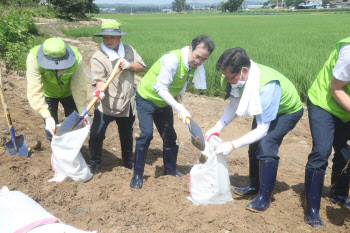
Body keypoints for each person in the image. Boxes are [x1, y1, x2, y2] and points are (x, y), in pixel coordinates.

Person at [205, 47, 303, 212]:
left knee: (266, 145)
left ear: (244, 70)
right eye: (226, 77)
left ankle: (265, 197)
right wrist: (217, 127)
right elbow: (234, 104)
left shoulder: (266, 86)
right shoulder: (238, 78)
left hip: (287, 111)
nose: (228, 81)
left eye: (230, 78)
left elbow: (262, 130)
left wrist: (233, 145)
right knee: (253, 147)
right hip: (267, 109)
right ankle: (255, 186)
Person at [130, 35, 215, 189]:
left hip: (164, 103)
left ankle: (170, 170)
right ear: (190, 47)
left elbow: (180, 85)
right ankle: (137, 175)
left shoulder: (193, 66)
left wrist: (180, 102)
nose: (199, 62)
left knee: (170, 136)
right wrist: (178, 107)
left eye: (204, 59)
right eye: (197, 57)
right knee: (146, 134)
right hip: (147, 99)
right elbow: (160, 87)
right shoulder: (173, 60)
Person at [89, 21, 146, 174]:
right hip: (105, 103)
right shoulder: (98, 56)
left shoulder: (129, 50)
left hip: (126, 102)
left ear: (119, 37)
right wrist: (99, 90)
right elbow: (99, 80)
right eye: (106, 37)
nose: (109, 41)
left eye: (113, 37)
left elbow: (142, 67)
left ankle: (127, 160)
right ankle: (95, 161)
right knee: (97, 134)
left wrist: (129, 65)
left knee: (126, 134)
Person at [304, 37, 350, 228]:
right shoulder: (349, 53)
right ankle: (312, 210)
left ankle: (338, 195)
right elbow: (335, 88)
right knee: (322, 151)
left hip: (346, 107)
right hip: (325, 102)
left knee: (345, 152)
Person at [26, 38, 87, 141]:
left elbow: (79, 86)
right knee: (50, 126)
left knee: (75, 122)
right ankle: (54, 144)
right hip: (49, 93)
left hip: (69, 92)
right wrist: (46, 116)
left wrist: (82, 113)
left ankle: (74, 145)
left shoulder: (76, 57)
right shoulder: (33, 58)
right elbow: (35, 89)